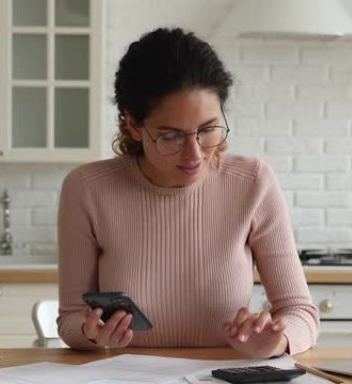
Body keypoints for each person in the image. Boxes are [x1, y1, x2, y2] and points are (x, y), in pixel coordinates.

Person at [57, 27, 319, 358]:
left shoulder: (252, 182)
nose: (194, 154)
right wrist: (89, 331)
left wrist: (276, 340)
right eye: (171, 136)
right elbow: (69, 320)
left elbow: (301, 313)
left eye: (208, 130)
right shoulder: (88, 188)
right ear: (133, 125)